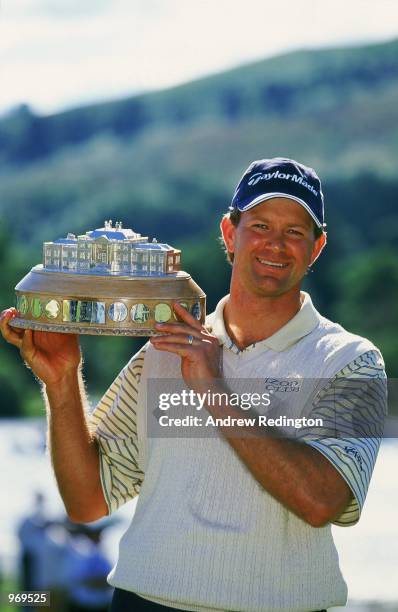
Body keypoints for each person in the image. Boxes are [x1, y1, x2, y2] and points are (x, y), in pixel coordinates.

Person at [0, 157, 387, 612]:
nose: (275, 245)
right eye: (260, 225)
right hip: (144, 602)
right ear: (229, 232)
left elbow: (321, 501)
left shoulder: (353, 362)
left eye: (295, 232)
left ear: (316, 247)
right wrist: (62, 383)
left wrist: (213, 388)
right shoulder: (163, 349)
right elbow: (88, 501)